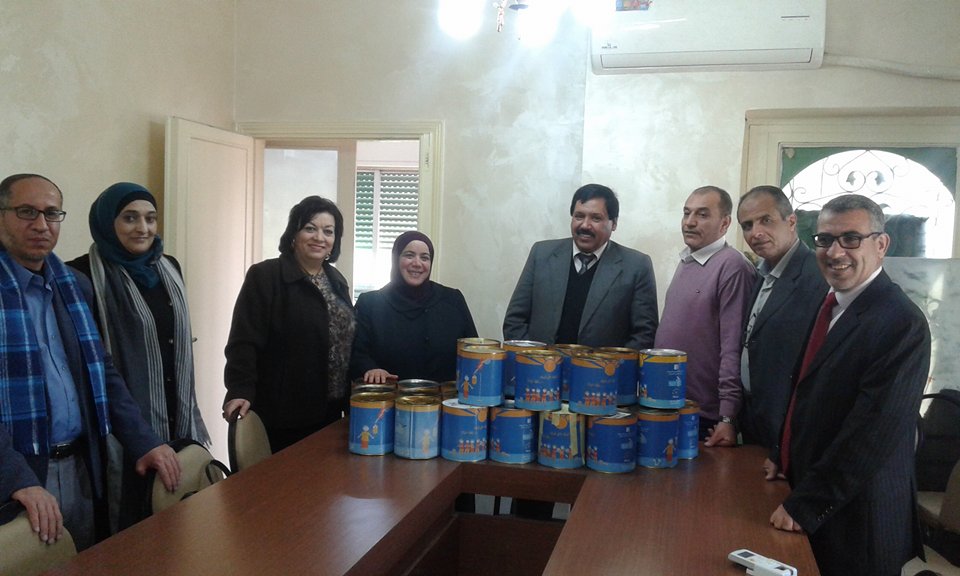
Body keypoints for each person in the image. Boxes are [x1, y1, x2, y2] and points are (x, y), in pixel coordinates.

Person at [0, 174, 180, 551]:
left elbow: (102, 371)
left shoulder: (72, 284)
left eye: (52, 213)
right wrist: (16, 478)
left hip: (81, 468)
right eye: (27, 212)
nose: (42, 225)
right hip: (18, 482)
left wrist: (145, 441)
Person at [768, 195, 930, 576]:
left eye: (851, 238)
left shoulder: (901, 323)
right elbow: (806, 389)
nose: (835, 251)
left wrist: (807, 504)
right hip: (813, 494)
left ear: (881, 244)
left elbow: (871, 433)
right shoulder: (831, 302)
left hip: (857, 519)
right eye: (824, 239)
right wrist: (782, 454)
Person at [67, 182, 208, 530]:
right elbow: (93, 363)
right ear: (106, 222)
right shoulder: (80, 275)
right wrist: (138, 434)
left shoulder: (168, 267)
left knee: (179, 521)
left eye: (150, 218)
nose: (143, 228)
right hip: (118, 425)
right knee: (133, 523)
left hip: (175, 412)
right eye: (129, 218)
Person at [222, 196, 355, 453]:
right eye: (310, 228)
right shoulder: (265, 276)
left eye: (328, 231)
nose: (319, 237)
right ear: (294, 234)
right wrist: (240, 389)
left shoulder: (337, 281)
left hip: (330, 411)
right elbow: (243, 341)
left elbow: (346, 341)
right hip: (282, 414)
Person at [655, 185, 756, 447]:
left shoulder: (732, 266)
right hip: (668, 401)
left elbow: (733, 346)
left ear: (725, 223)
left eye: (702, 214)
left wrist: (728, 416)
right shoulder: (687, 260)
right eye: (686, 213)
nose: (689, 222)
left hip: (704, 416)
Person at [503, 183, 658, 350]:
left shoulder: (636, 266)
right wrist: (535, 359)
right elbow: (514, 321)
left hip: (604, 366)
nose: (585, 225)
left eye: (596, 218)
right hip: (539, 364)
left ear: (613, 223)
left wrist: (610, 364)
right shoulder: (541, 254)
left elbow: (645, 334)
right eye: (579, 216)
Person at [736, 186, 827, 454]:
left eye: (766, 220)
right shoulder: (761, 273)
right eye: (747, 225)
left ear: (791, 221)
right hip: (754, 417)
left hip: (790, 426)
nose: (756, 232)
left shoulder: (817, 277)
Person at [350, 230, 477, 384]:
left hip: (444, 396)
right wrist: (370, 368)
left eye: (425, 257)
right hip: (389, 395)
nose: (417, 263)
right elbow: (356, 354)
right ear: (396, 259)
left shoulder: (452, 300)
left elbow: (473, 351)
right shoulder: (370, 303)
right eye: (409, 255)